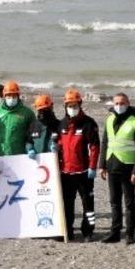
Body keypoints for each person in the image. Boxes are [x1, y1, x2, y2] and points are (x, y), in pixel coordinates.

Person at [98, 93, 135, 244]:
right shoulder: (109, 119)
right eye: (116, 103)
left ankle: (130, 235)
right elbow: (105, 143)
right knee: (114, 202)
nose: (119, 106)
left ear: (128, 103)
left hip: (128, 166)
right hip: (112, 165)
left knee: (129, 203)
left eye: (122, 103)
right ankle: (115, 232)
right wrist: (102, 166)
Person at [57, 89, 99, 242]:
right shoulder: (62, 124)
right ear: (65, 106)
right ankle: (68, 231)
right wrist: (54, 147)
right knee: (67, 205)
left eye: (75, 105)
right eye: (69, 105)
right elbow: (59, 144)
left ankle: (88, 231)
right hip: (67, 173)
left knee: (88, 205)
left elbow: (95, 147)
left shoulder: (89, 123)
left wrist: (93, 167)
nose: (72, 108)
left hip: (84, 172)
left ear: (80, 104)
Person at [0, 81, 36, 157]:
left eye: (14, 96)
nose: (11, 98)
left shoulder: (27, 113)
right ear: (4, 96)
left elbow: (34, 133)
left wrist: (31, 148)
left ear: (18, 96)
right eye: (8, 96)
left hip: (19, 155)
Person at [25, 94, 59, 158]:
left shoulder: (58, 124)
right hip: (38, 161)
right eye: (40, 110)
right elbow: (28, 141)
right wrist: (30, 149)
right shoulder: (33, 125)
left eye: (46, 109)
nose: (43, 112)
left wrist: (59, 147)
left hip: (53, 161)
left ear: (51, 107)